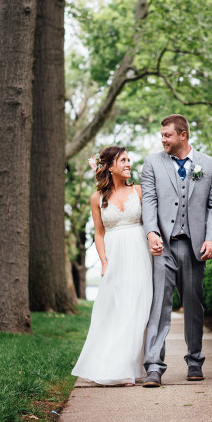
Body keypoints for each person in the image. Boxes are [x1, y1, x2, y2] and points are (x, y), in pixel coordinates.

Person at [141, 114, 212, 387]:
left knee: (193, 305)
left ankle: (194, 362)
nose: (162, 139)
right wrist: (151, 232)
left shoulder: (209, 165)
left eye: (167, 135)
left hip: (194, 246)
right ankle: (153, 366)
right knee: (159, 307)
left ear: (183, 135)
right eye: (162, 135)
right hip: (163, 245)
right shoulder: (152, 163)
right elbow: (149, 201)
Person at [71, 146, 153, 386]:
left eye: (129, 159)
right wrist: (104, 261)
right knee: (114, 308)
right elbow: (98, 233)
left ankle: (128, 368)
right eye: (123, 160)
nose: (128, 164)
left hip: (139, 255)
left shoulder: (139, 191)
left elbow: (150, 222)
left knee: (136, 309)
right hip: (114, 256)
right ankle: (110, 364)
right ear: (109, 167)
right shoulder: (97, 198)